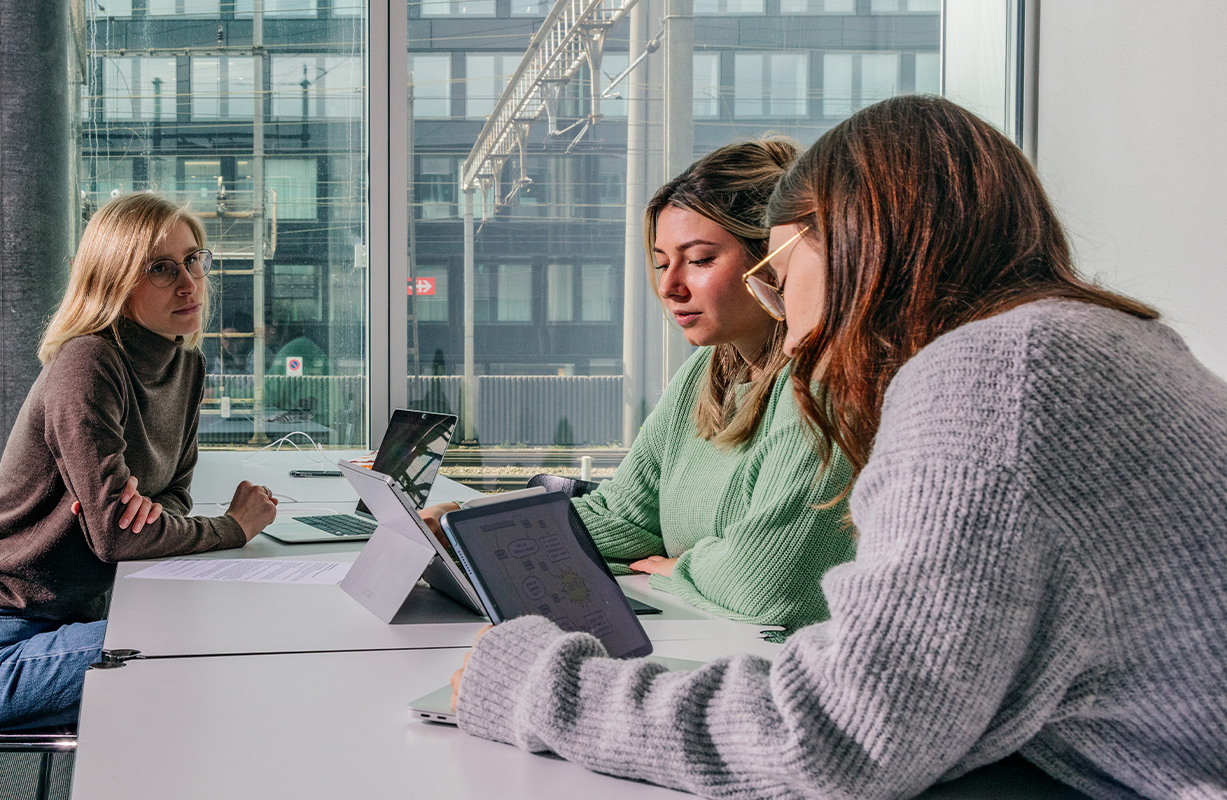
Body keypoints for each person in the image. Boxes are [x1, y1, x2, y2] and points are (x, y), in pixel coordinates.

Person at [449, 95, 1227, 798]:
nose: (783, 315)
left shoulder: (991, 376)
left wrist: (539, 687)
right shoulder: (1117, 342)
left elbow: (834, 737)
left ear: (858, 243)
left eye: (779, 273)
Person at [423, 138, 856, 631]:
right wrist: (472, 529)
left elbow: (768, 585)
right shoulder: (707, 371)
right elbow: (625, 517)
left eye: (699, 259)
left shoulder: (823, 385)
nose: (670, 286)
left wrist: (679, 570)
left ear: (773, 261)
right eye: (661, 262)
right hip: (705, 632)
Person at [0, 193, 279, 731]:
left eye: (194, 259)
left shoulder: (185, 365)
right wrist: (232, 528)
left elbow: (174, 496)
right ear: (115, 284)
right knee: (211, 645)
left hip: (83, 621)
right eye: (161, 269)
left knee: (210, 649)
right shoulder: (88, 363)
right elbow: (117, 539)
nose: (189, 282)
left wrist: (149, 511)